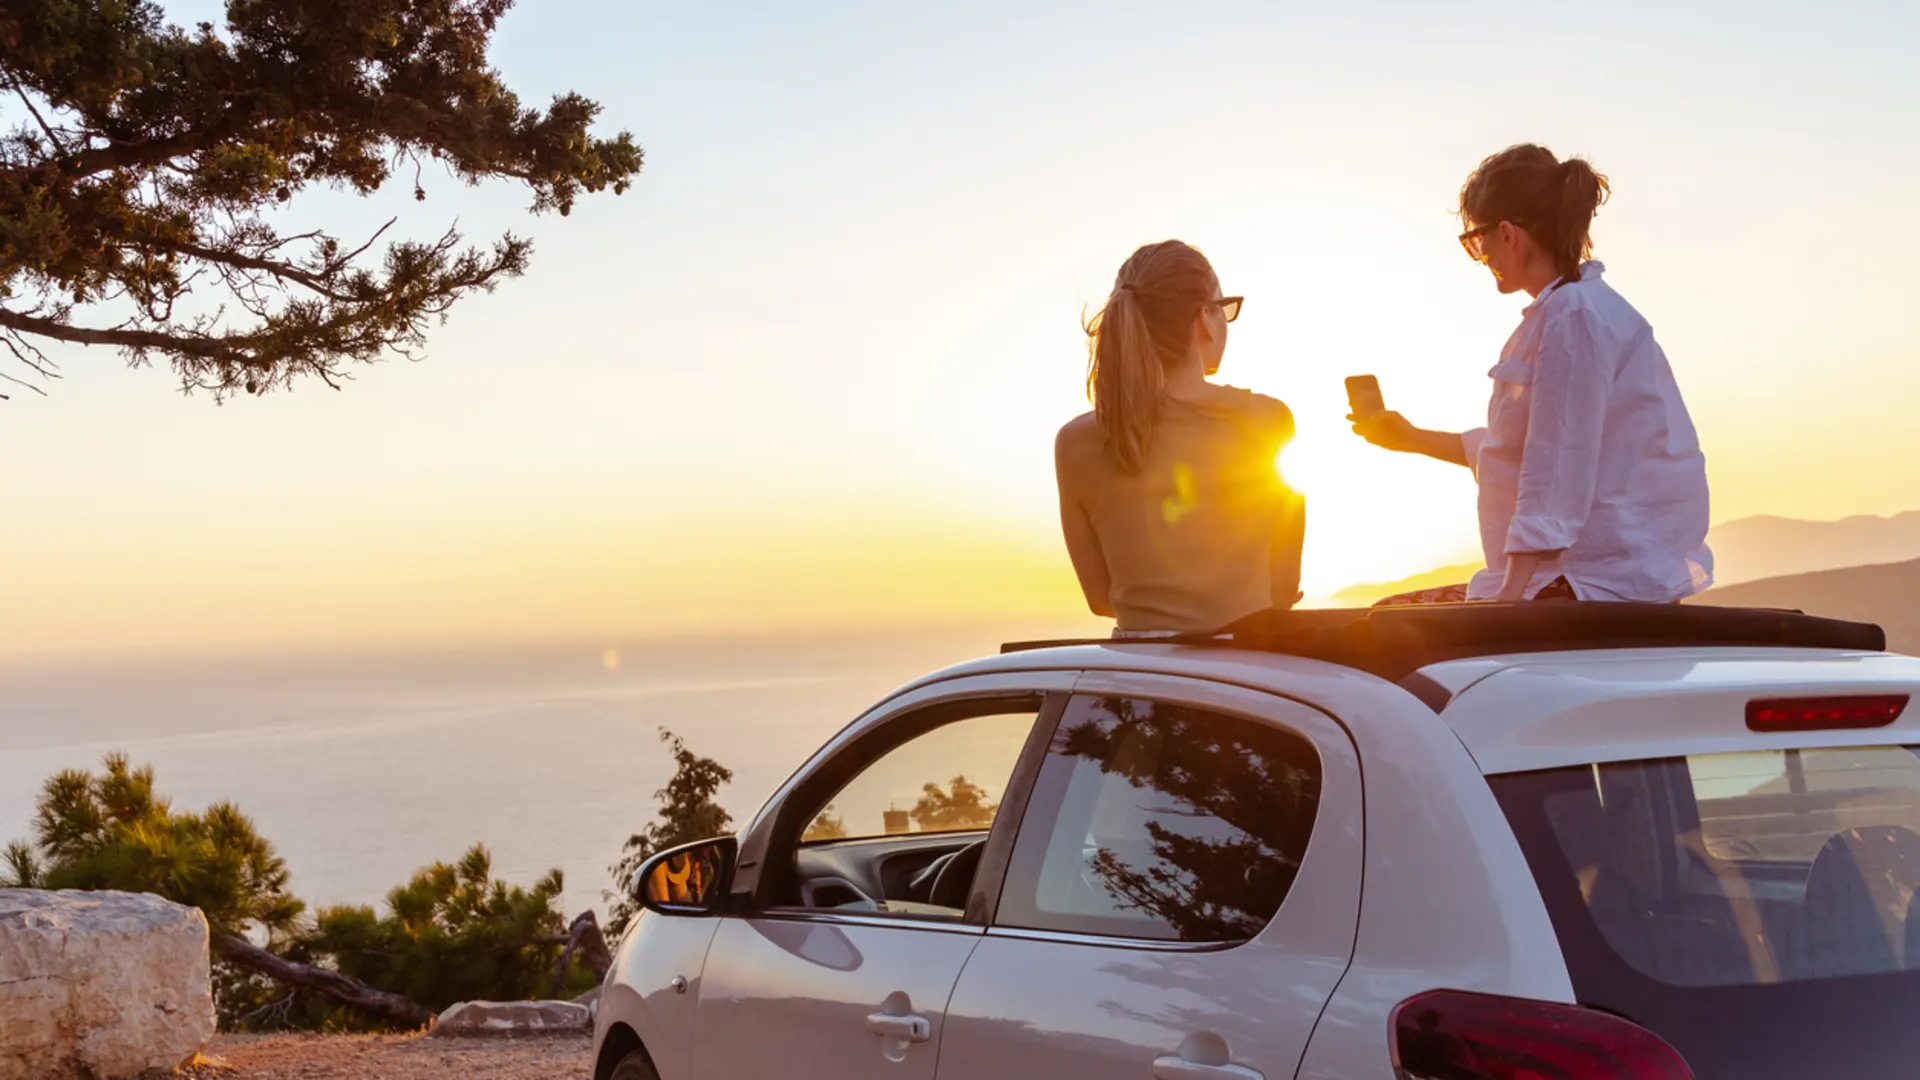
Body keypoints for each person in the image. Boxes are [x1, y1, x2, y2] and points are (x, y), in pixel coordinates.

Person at [1352, 144, 1712, 604]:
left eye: (1476, 241)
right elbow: (1524, 451)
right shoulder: (1578, 308)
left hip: (1586, 585)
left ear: (1507, 234)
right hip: (1597, 578)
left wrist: (1510, 599)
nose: (1480, 256)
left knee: (1388, 622)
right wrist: (1410, 437)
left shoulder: (1573, 317)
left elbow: (1557, 463)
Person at [1055, 240, 1304, 635]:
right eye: (1225, 308)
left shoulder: (1074, 442)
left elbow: (1102, 599)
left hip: (1140, 679)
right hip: (1247, 676)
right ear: (1205, 318)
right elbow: (1284, 588)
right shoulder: (1267, 420)